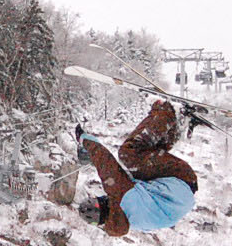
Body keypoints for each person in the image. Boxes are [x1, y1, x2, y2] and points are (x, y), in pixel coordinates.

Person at [75, 99, 199, 237]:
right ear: (99, 206)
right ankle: (167, 111)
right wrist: (84, 140)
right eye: (96, 199)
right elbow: (106, 164)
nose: (101, 197)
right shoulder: (121, 200)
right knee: (129, 154)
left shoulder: (127, 221)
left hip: (182, 189)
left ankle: (180, 123)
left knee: (142, 162)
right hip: (179, 176)